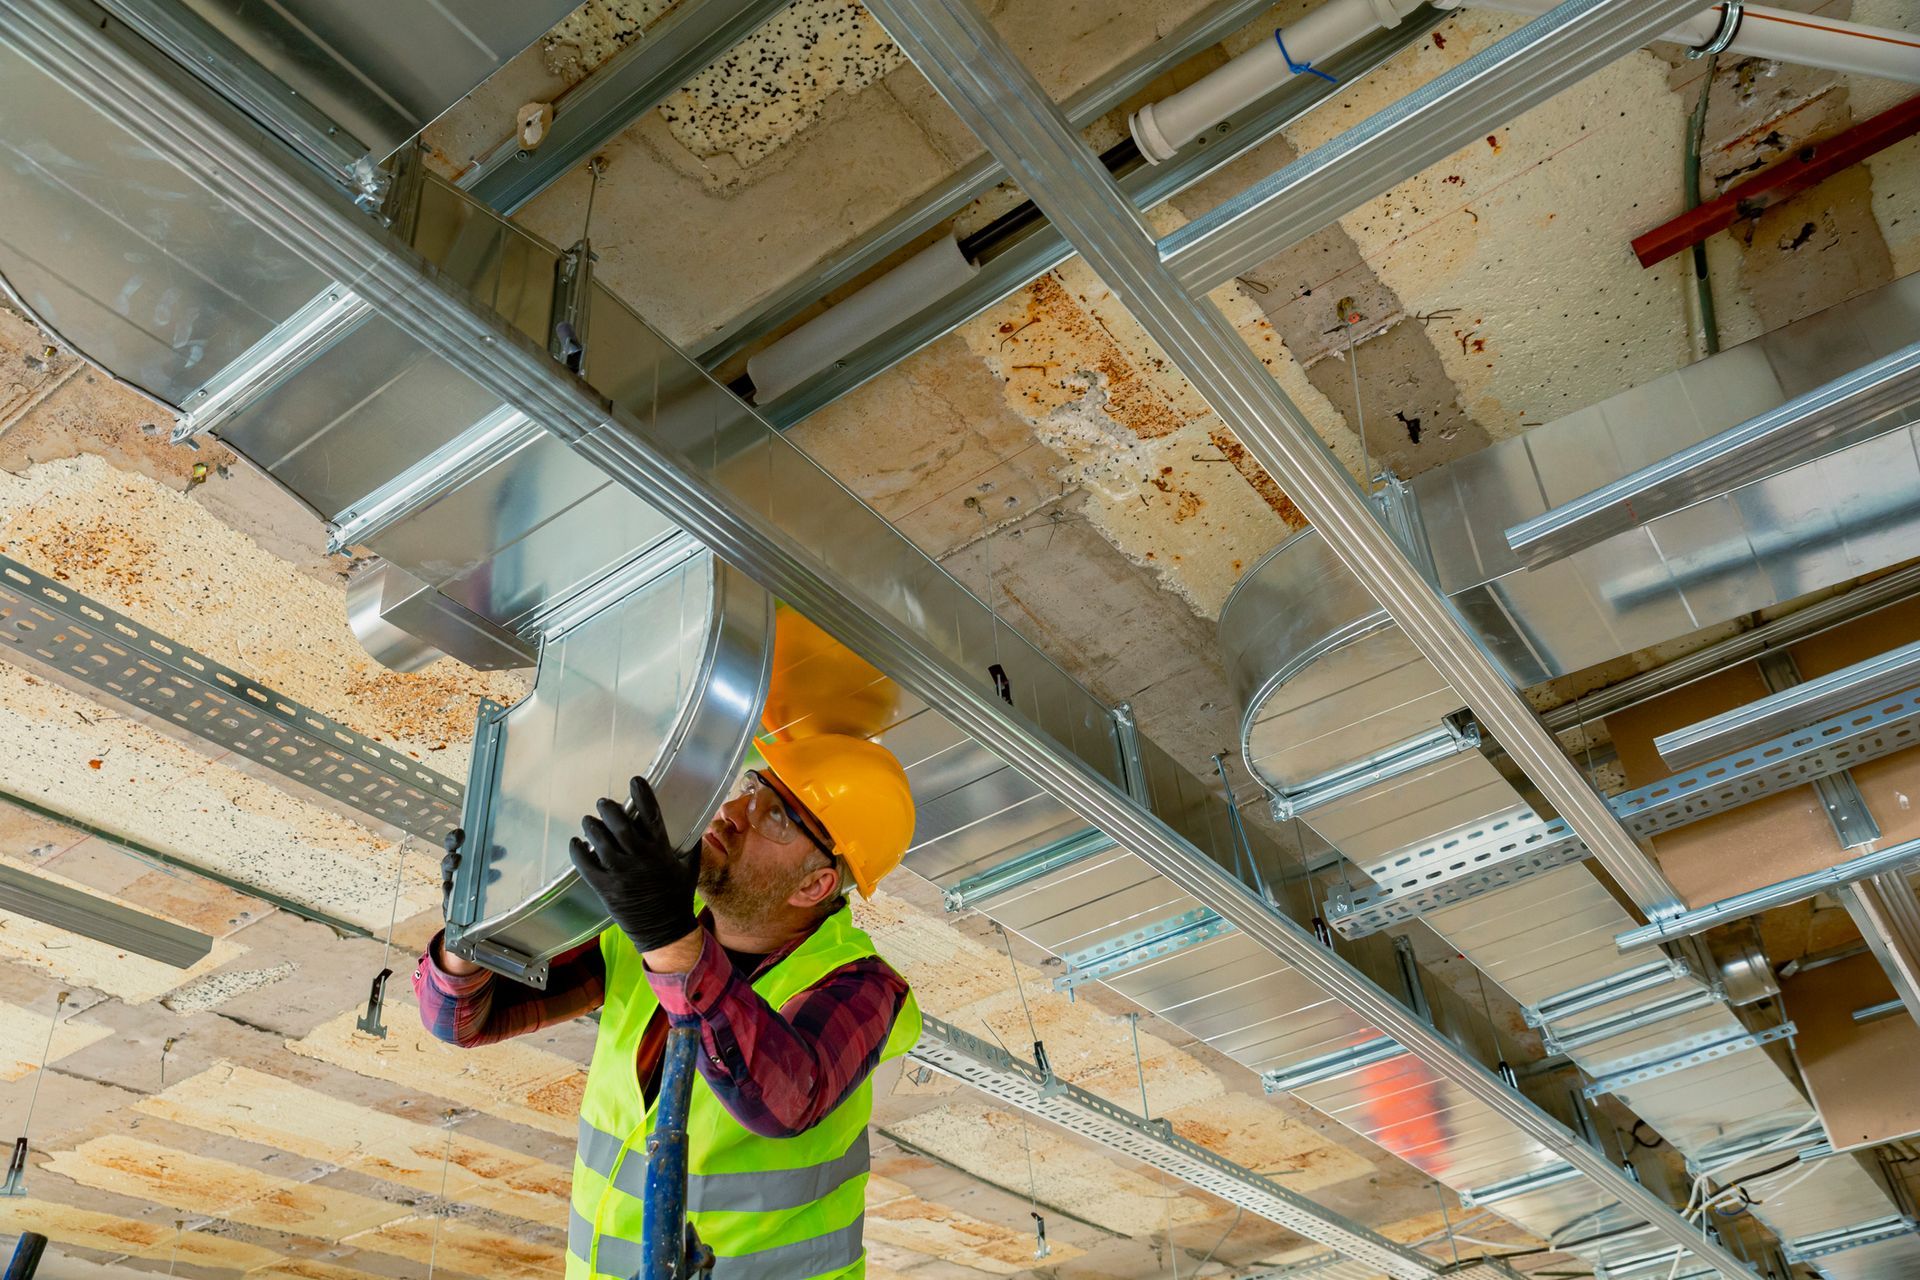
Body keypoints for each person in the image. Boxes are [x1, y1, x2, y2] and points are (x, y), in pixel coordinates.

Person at [414, 731, 919, 1280]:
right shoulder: (650, 931)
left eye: (774, 817)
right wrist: (473, 932)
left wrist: (667, 934)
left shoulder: (865, 987)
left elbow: (782, 1100)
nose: (734, 813)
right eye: (751, 790)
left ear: (816, 884)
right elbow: (463, 1020)